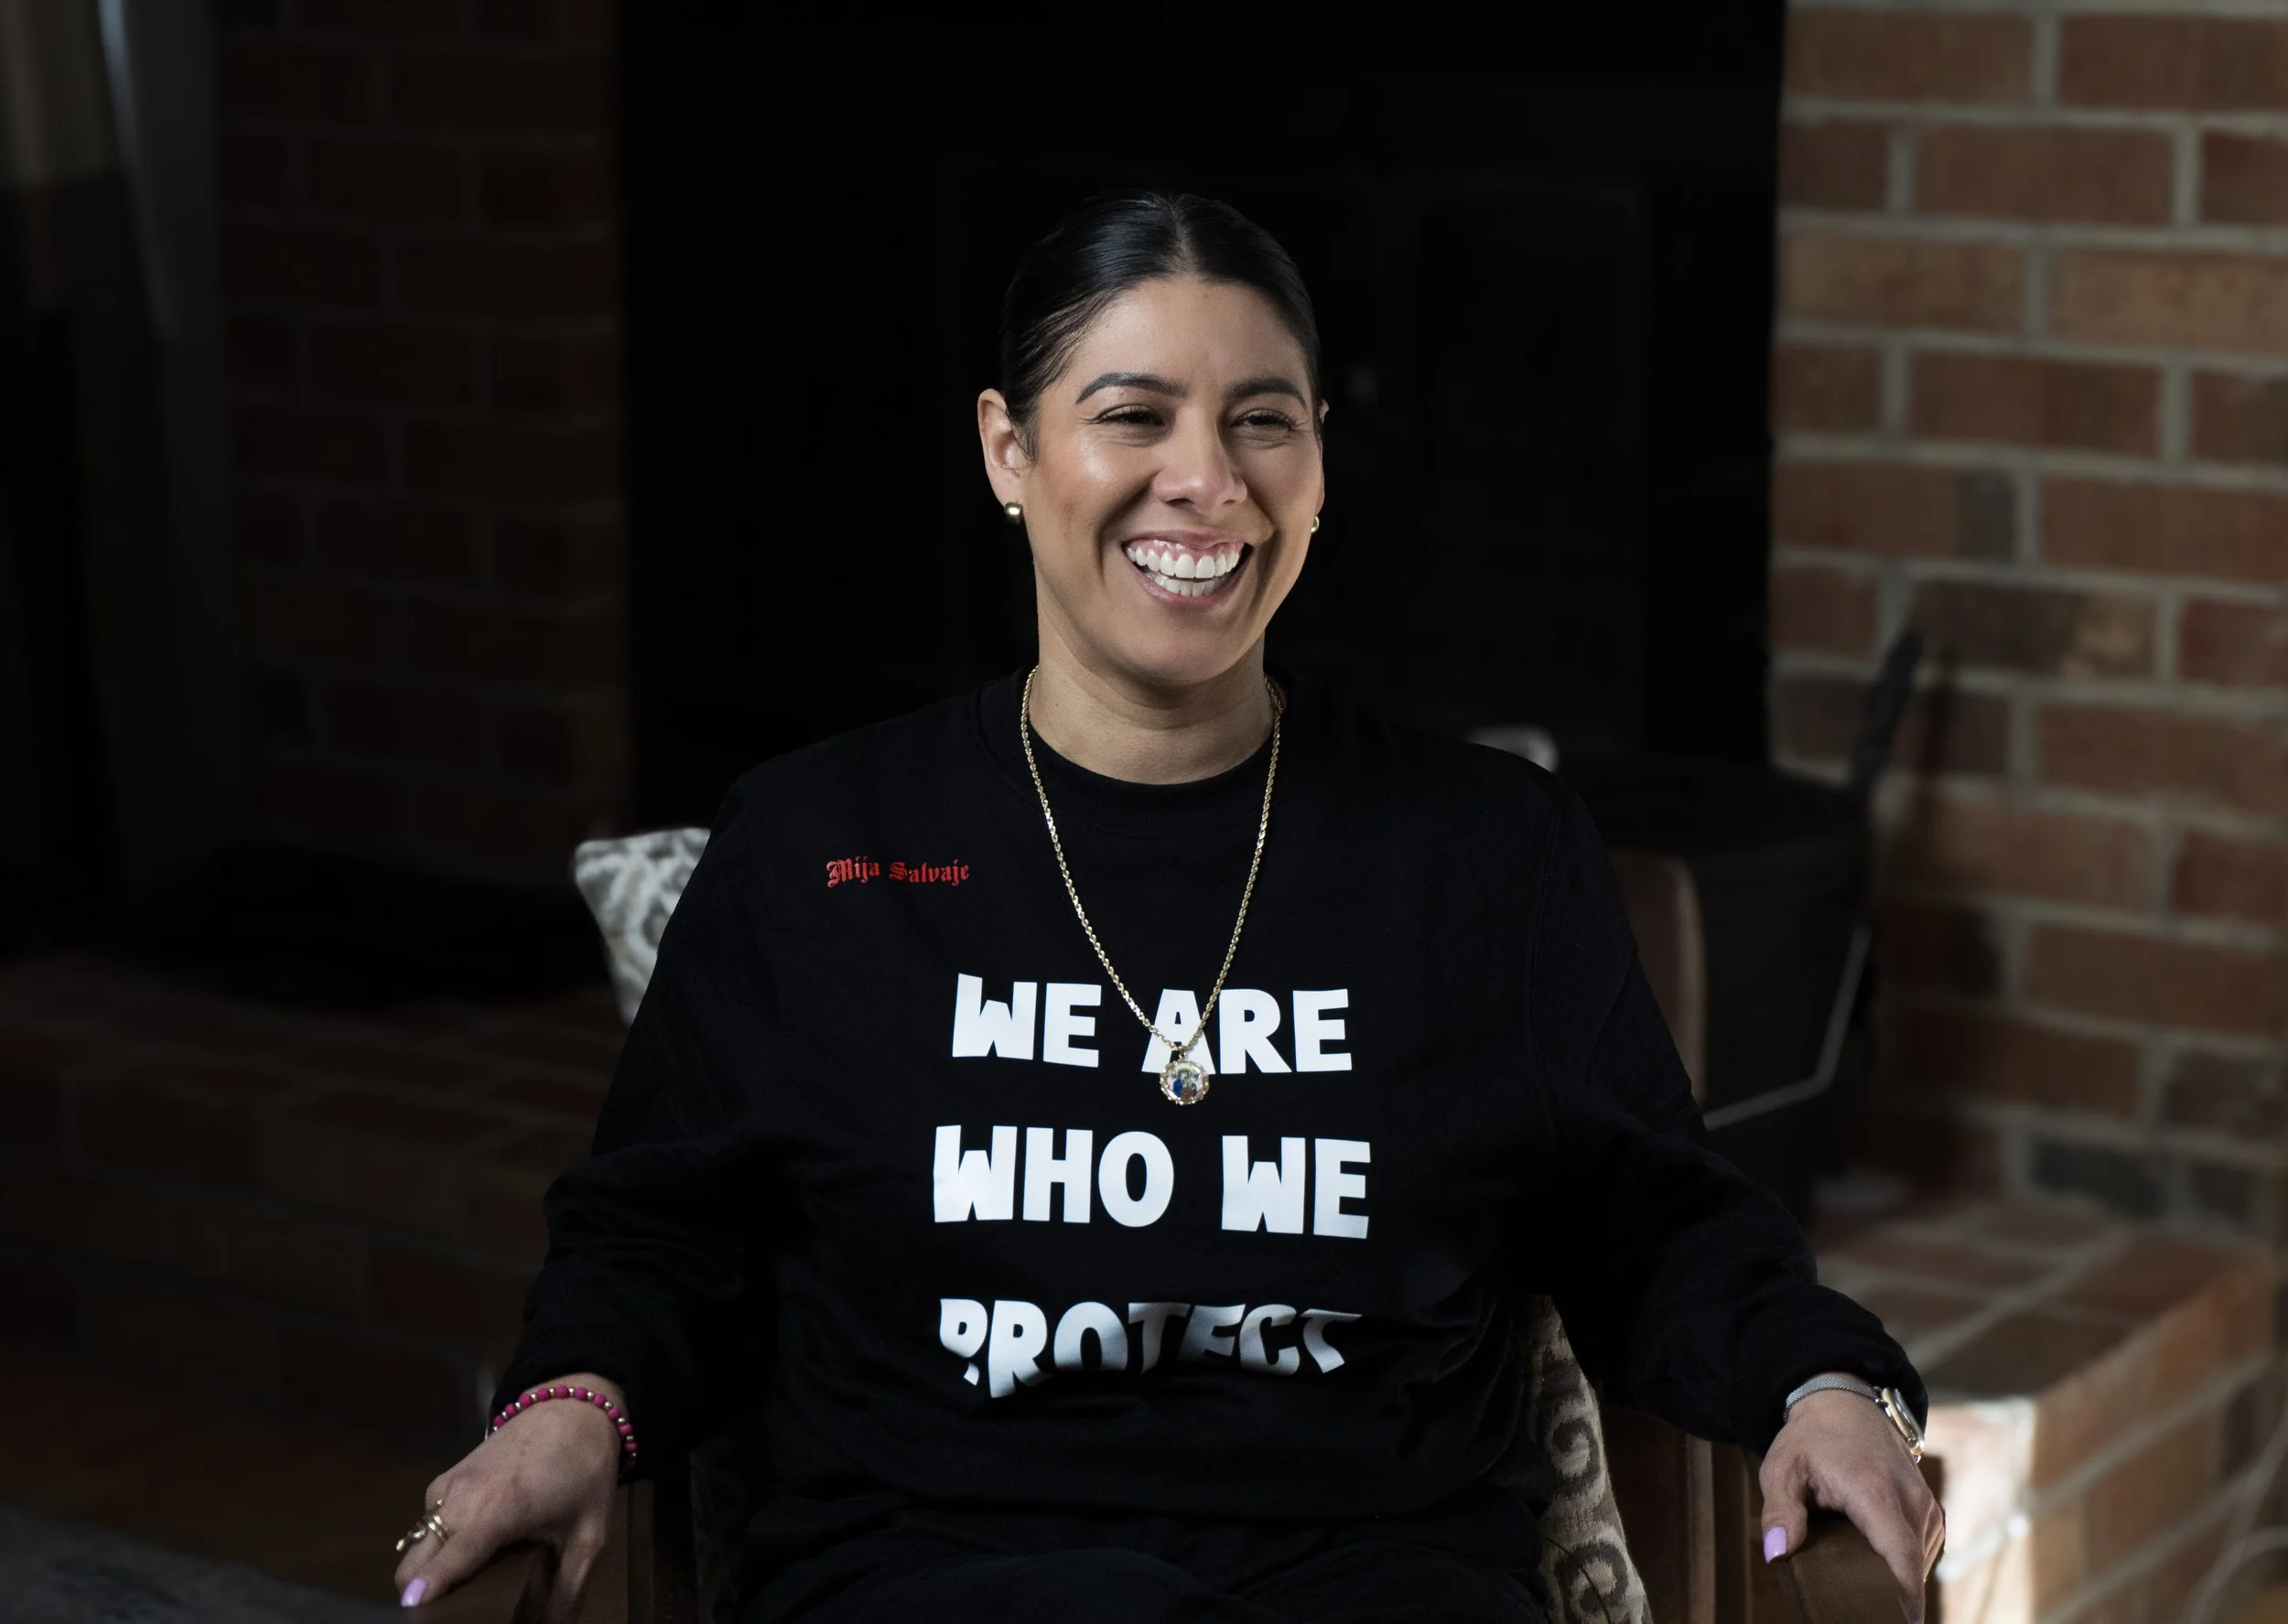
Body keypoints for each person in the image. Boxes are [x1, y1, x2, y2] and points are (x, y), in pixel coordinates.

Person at [389, 190, 1944, 1624]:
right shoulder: (819, 838)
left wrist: (1820, 1383)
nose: (1205, 479)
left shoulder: (1483, 850)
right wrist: (569, 1408)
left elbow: (1655, 1222)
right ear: (1008, 451)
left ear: (1319, 462)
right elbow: (663, 1231)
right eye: (1132, 414)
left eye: (1261, 420)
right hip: (940, 1577)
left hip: (1378, 1582)